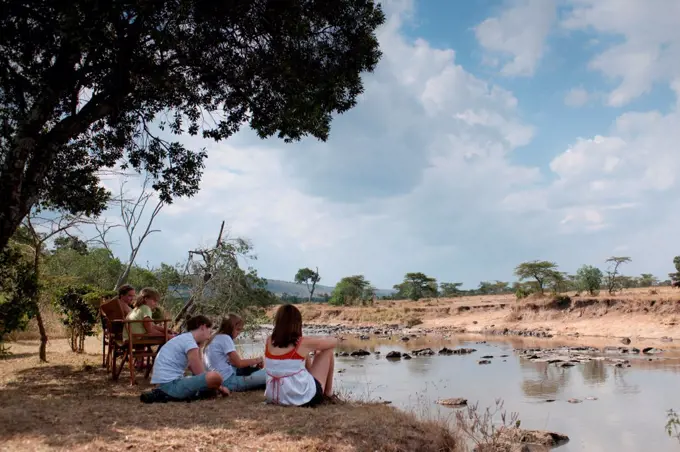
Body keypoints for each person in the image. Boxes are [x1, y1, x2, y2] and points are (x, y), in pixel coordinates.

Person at [264, 304, 338, 407]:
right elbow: (332, 343)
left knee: (303, 353)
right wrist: (336, 338)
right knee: (327, 351)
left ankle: (320, 390)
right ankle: (328, 394)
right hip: (302, 399)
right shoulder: (301, 342)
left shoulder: (269, 340)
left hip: (275, 397)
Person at [149, 315, 228, 400]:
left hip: (163, 386)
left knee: (207, 378)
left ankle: (205, 392)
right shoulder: (190, 343)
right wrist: (220, 388)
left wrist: (200, 347)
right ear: (203, 327)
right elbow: (200, 373)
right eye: (210, 331)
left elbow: (193, 368)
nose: (209, 337)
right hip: (170, 387)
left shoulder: (184, 338)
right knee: (215, 376)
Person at [204, 314, 266, 392]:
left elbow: (232, 362)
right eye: (237, 329)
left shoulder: (214, 337)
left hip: (217, 380)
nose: (239, 333)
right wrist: (258, 359)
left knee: (250, 370)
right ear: (229, 328)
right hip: (228, 382)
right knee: (269, 374)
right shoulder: (225, 338)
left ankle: (255, 372)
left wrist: (252, 364)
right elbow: (238, 363)